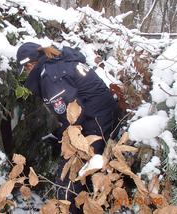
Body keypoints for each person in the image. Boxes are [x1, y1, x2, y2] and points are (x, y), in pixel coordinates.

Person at [15, 42, 121, 213]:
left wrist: (65, 137)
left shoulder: (50, 77)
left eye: (26, 69)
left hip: (96, 123)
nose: (27, 74)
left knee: (68, 180)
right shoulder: (57, 63)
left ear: (30, 64)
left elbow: (73, 116)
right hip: (103, 115)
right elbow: (75, 107)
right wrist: (59, 134)